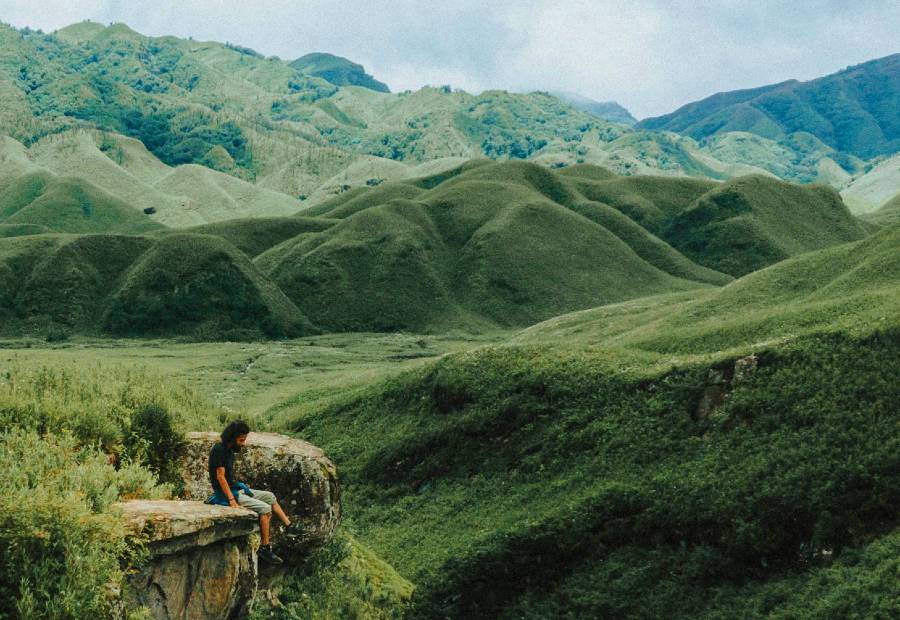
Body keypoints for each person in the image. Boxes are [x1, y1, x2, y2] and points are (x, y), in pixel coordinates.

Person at [207, 420, 302, 565]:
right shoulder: (219, 450)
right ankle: (265, 548)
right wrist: (231, 500)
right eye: (241, 440)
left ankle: (289, 526)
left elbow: (228, 477)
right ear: (232, 438)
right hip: (225, 493)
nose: (243, 443)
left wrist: (239, 488)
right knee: (265, 509)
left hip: (235, 488)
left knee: (270, 497)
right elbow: (220, 477)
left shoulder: (229, 450)